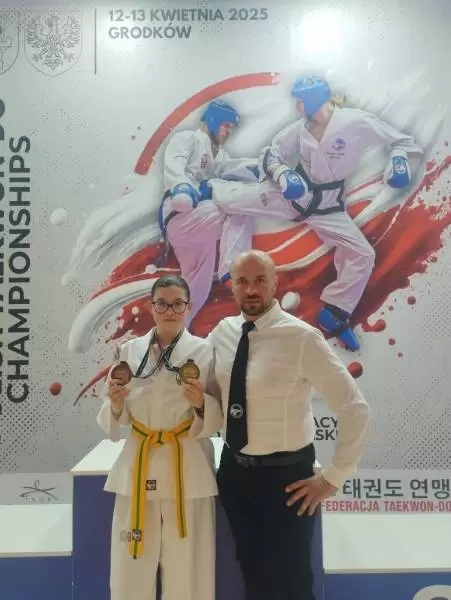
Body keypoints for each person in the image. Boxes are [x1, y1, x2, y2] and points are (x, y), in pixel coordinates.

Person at [200, 75, 422, 350]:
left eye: (300, 101)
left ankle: (335, 312)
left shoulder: (355, 122)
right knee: (234, 200)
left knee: (362, 254)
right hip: (293, 194)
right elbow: (271, 154)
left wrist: (399, 160)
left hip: (327, 207)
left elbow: (401, 141)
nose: (297, 107)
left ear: (314, 100)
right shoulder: (299, 130)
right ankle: (208, 188)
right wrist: (283, 174)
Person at [208, 250, 371, 600]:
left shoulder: (302, 338)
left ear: (275, 283)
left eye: (259, 280)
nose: (251, 290)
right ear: (232, 287)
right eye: (242, 281)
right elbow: (203, 388)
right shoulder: (221, 333)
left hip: (287, 481)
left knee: (292, 583)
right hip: (234, 474)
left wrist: (334, 477)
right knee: (253, 576)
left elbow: (354, 407)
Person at [96, 274, 223, 600]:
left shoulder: (205, 352)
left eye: (178, 304)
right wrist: (116, 404)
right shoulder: (129, 351)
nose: (170, 311)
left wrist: (201, 404)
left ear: (189, 307)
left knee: (188, 568)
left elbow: (218, 414)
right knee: (130, 564)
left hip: (187, 467)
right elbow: (114, 411)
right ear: (151, 307)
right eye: (162, 304)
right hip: (139, 465)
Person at [159, 98, 259, 325]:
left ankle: (171, 335)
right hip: (181, 214)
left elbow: (235, 168)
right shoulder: (189, 139)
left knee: (197, 290)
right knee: (241, 204)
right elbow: (174, 164)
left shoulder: (221, 157)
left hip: (198, 228)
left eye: (231, 127)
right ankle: (233, 267)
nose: (229, 131)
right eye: (226, 125)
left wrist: (265, 167)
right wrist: (182, 186)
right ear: (213, 121)